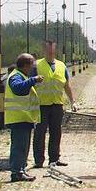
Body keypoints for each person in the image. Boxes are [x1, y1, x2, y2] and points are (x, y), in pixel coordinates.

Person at [32, 39, 74, 169]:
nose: (51, 52)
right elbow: (29, 84)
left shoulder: (62, 66)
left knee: (56, 133)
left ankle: (54, 159)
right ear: (44, 50)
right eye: (48, 50)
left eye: (53, 50)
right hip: (41, 105)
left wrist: (73, 101)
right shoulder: (36, 65)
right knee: (40, 133)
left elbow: (66, 85)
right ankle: (39, 161)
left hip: (57, 105)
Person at [3, 53, 43, 183]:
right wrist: (33, 80)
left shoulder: (21, 75)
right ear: (26, 65)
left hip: (24, 118)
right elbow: (17, 89)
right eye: (32, 65)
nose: (33, 68)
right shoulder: (15, 76)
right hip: (18, 117)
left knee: (23, 147)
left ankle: (20, 170)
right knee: (19, 147)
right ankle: (16, 172)